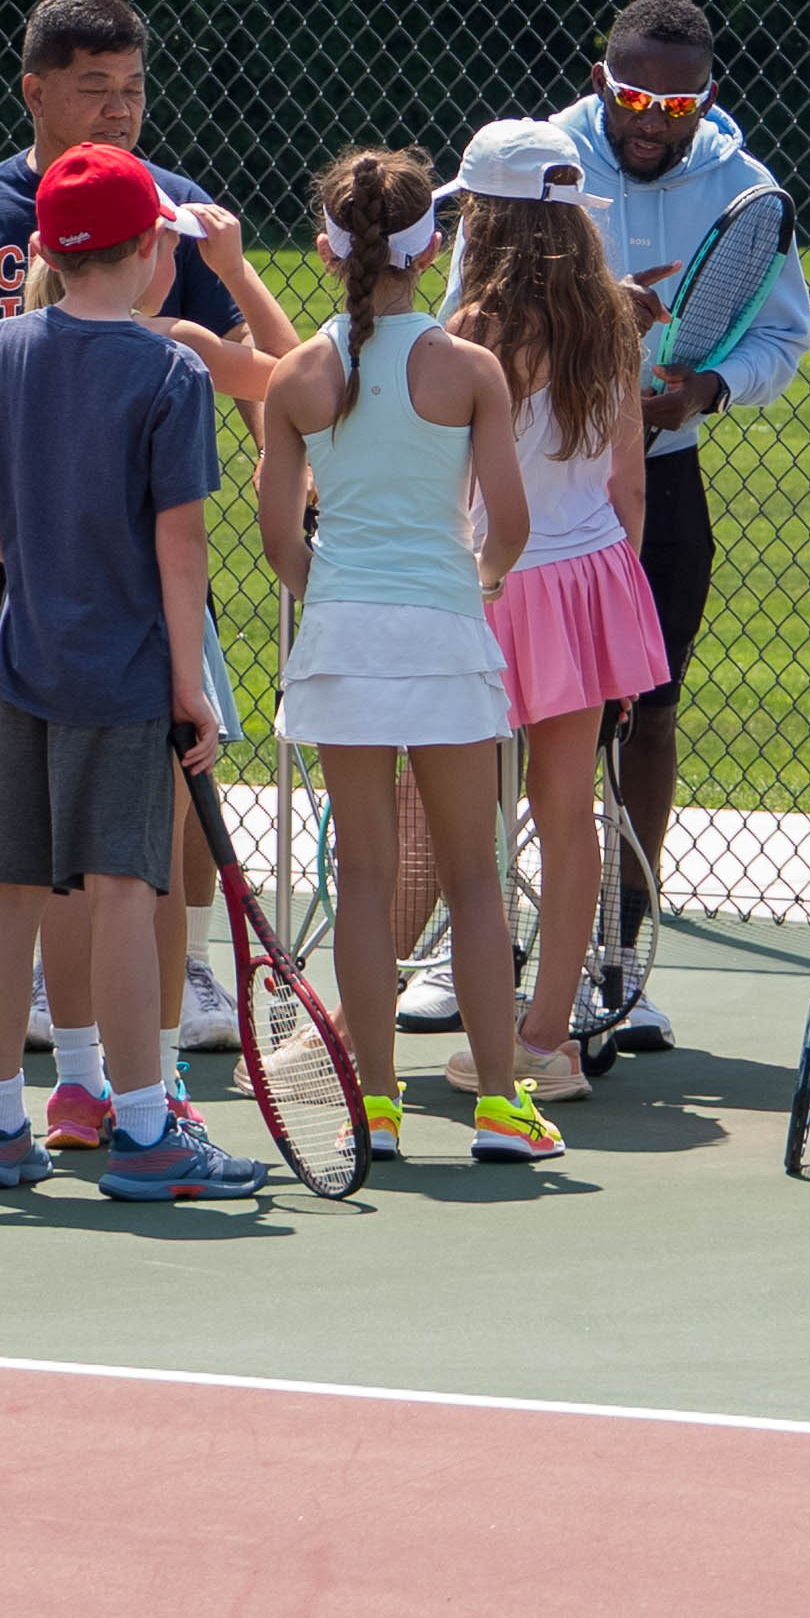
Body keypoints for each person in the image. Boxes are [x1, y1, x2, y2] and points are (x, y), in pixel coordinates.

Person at [0, 143, 266, 1202]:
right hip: (126, 675)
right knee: (125, 894)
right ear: (150, 249)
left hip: (24, 672)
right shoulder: (171, 370)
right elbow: (182, 545)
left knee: (11, 895)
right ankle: (146, 1132)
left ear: (44, 247)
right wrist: (191, 682)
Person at [414, 0, 810, 1051]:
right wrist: (584, 342)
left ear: (706, 100)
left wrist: (705, 391)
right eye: (633, 97)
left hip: (640, 493)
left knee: (639, 721)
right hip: (512, 502)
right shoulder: (532, 159)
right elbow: (465, 323)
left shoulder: (744, 186)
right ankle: (475, 948)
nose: (650, 120)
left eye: (675, 106)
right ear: (601, 81)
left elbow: (781, 337)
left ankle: (617, 958)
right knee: (486, 732)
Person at [0, 0, 248, 1060]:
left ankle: (173, 967)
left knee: (166, 774)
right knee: (44, 812)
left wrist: (282, 454)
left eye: (134, 88)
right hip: (26, 560)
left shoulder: (176, 207)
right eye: (95, 87)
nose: (119, 108)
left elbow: (241, 362)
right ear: (35, 90)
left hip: (137, 553)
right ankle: (78, 1022)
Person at [257, 148, 551, 1164]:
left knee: (365, 873)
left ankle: (374, 1106)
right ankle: (501, 1106)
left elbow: (281, 542)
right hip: (441, 635)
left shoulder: (297, 374)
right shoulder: (470, 369)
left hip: (343, 641)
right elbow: (508, 523)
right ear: (432, 250)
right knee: (475, 875)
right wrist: (478, 582)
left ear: (325, 247)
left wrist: (338, 593)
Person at [441, 119, 669, 1109]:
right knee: (567, 807)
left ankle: (452, 1029)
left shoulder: (472, 329)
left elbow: (451, 473)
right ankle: (544, 1037)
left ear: (485, 218)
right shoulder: (610, 321)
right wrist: (616, 589)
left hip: (491, 580)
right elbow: (629, 482)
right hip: (587, 576)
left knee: (455, 806)